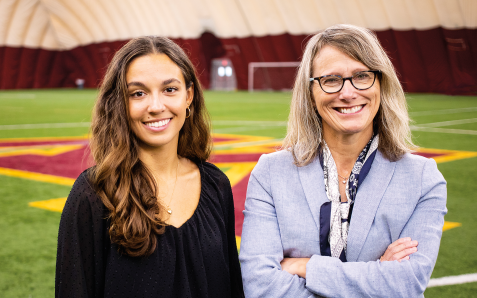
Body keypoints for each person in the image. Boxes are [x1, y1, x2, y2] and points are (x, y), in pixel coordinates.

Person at [240, 24, 447, 297]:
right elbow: (259, 286)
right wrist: (377, 274)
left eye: (362, 76)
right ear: (311, 93)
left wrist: (306, 266)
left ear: (381, 84)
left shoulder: (422, 179)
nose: (348, 93)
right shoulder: (271, 173)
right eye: (331, 80)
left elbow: (406, 284)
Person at [56, 36, 244, 298]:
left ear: (188, 96)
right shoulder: (93, 193)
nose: (156, 107)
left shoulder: (216, 185)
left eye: (170, 90)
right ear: (121, 102)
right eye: (138, 93)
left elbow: (233, 286)